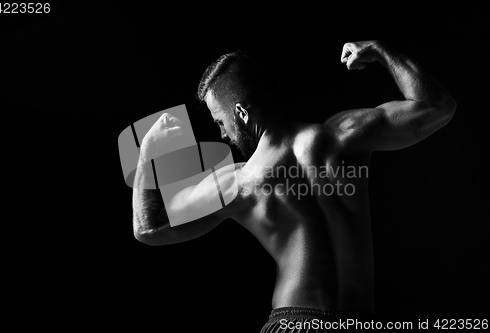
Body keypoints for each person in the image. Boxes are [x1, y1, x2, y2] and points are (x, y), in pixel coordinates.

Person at [132, 40, 456, 332]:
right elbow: (436, 106)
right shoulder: (344, 136)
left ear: (241, 113)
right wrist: (379, 50)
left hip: (294, 324)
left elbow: (149, 229)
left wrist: (147, 152)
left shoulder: (239, 181)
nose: (223, 135)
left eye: (220, 122)